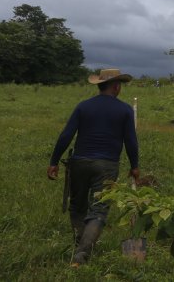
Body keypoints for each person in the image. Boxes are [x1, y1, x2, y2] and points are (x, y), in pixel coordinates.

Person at [47, 68, 140, 266]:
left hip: (79, 163)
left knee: (77, 206)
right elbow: (130, 141)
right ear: (116, 87)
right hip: (106, 166)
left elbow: (66, 135)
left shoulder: (83, 106)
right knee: (98, 210)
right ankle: (82, 254)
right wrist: (135, 166)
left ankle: (81, 245)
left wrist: (54, 161)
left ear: (99, 85)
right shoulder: (124, 110)